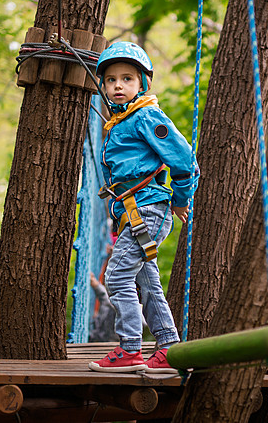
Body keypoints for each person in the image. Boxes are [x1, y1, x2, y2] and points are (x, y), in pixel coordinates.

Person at [88, 42, 198, 374]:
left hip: (149, 208)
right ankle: (168, 347)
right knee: (147, 281)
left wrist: (180, 198)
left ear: (142, 85)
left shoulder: (146, 115)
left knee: (117, 276)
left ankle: (130, 348)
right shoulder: (119, 122)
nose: (118, 86)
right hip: (133, 213)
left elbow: (185, 161)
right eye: (110, 80)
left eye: (127, 79)